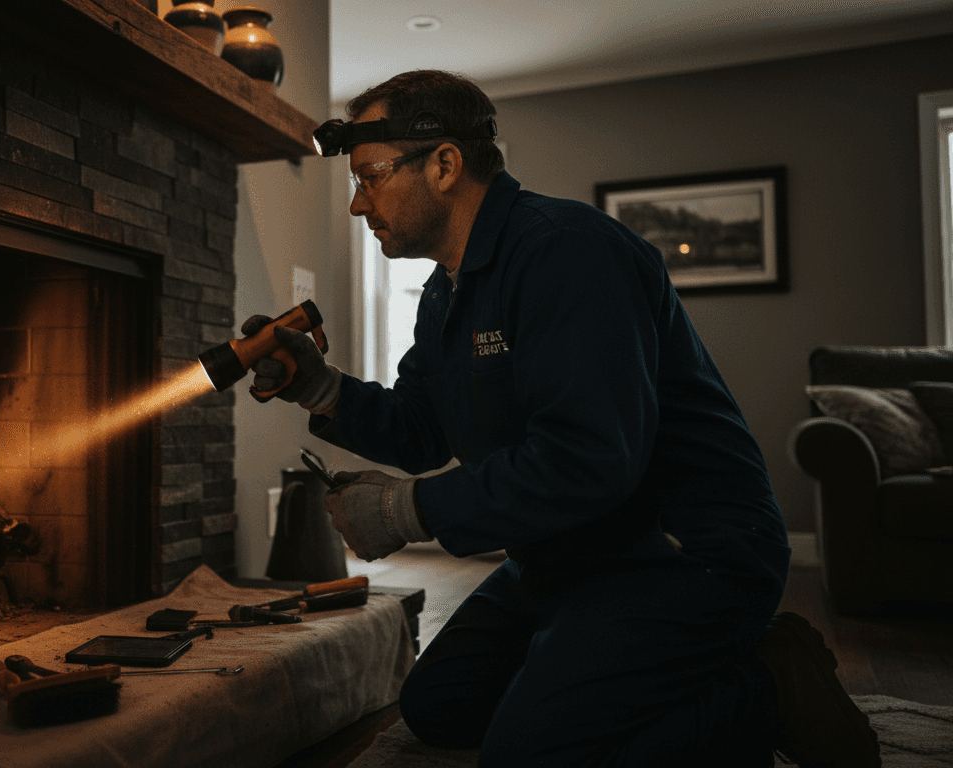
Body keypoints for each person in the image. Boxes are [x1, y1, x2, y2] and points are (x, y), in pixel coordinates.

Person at [241, 70, 879, 767]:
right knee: (440, 704)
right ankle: (597, 667)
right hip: (563, 552)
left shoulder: (568, 251)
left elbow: (590, 458)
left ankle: (767, 683)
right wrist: (321, 386)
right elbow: (422, 428)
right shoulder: (446, 292)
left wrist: (405, 512)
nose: (360, 205)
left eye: (371, 176)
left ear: (446, 165)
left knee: (532, 753)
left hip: (684, 555)